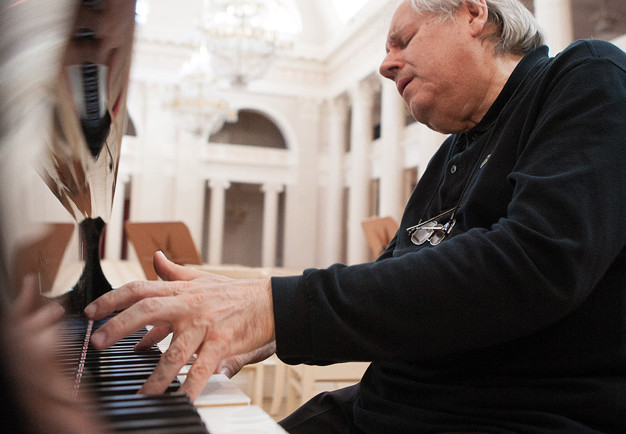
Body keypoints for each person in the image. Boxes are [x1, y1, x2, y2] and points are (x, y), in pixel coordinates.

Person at [85, 0, 626, 432]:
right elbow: (389, 289)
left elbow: (533, 265)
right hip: (382, 407)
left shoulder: (587, 74)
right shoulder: (453, 151)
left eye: (403, 40)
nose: (385, 64)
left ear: (473, 12)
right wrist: (250, 325)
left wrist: (271, 306)